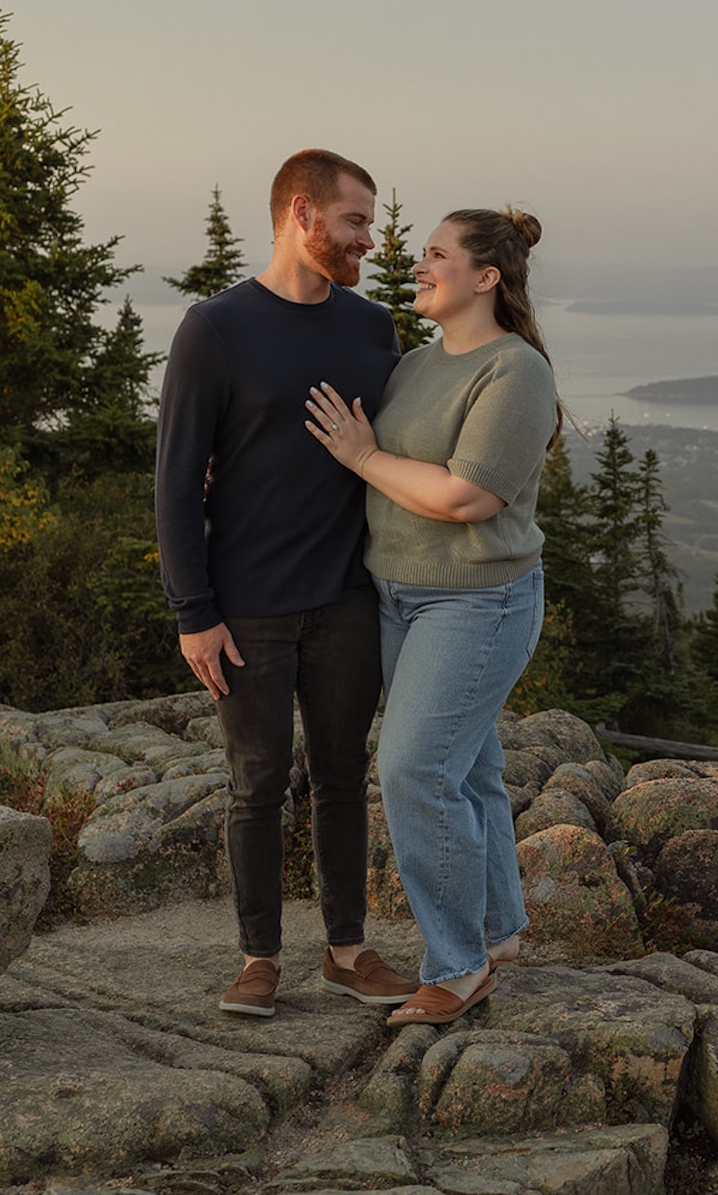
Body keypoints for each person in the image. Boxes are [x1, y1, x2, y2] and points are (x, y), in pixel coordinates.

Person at [155, 148, 415, 1018]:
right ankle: (258, 959)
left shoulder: (373, 327)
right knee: (255, 783)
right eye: (354, 223)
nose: (368, 241)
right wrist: (194, 612)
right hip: (248, 607)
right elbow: (174, 478)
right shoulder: (215, 329)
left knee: (343, 776)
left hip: (347, 596)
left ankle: (346, 951)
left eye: (370, 225)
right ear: (302, 216)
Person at [304, 206, 558, 1027]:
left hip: (478, 600)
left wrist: (364, 457)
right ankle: (497, 930)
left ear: (486, 277)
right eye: (421, 253)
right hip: (397, 596)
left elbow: (465, 496)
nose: (418, 265)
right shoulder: (415, 364)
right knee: (467, 768)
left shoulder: (514, 371)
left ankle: (457, 967)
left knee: (412, 769)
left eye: (436, 255)